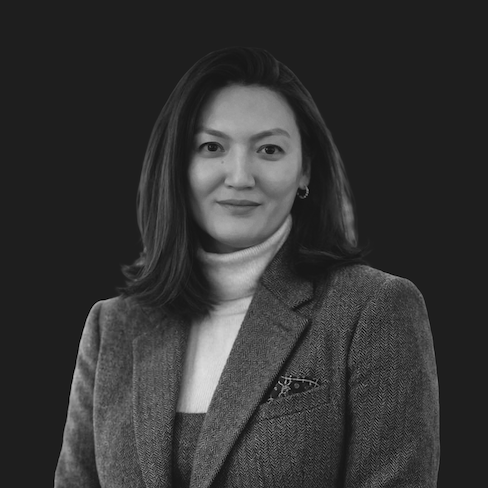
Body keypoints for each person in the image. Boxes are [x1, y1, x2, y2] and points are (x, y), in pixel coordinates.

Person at [55, 46, 440, 487]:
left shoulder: (373, 310)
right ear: (177, 164)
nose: (240, 176)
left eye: (269, 149)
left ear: (305, 170)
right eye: (212, 146)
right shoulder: (112, 327)